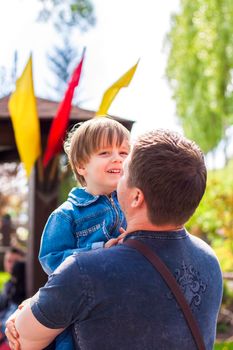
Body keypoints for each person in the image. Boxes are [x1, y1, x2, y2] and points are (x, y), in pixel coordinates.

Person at [6, 129, 223, 350]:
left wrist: (32, 305)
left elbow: (22, 341)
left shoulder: (84, 271)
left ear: (137, 196)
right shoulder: (209, 261)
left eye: (126, 170)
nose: (118, 167)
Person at [38, 117, 130, 350]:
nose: (117, 158)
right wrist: (99, 250)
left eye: (123, 152)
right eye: (105, 152)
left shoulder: (134, 204)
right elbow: (51, 259)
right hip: (80, 304)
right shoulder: (67, 215)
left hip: (121, 298)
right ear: (81, 166)